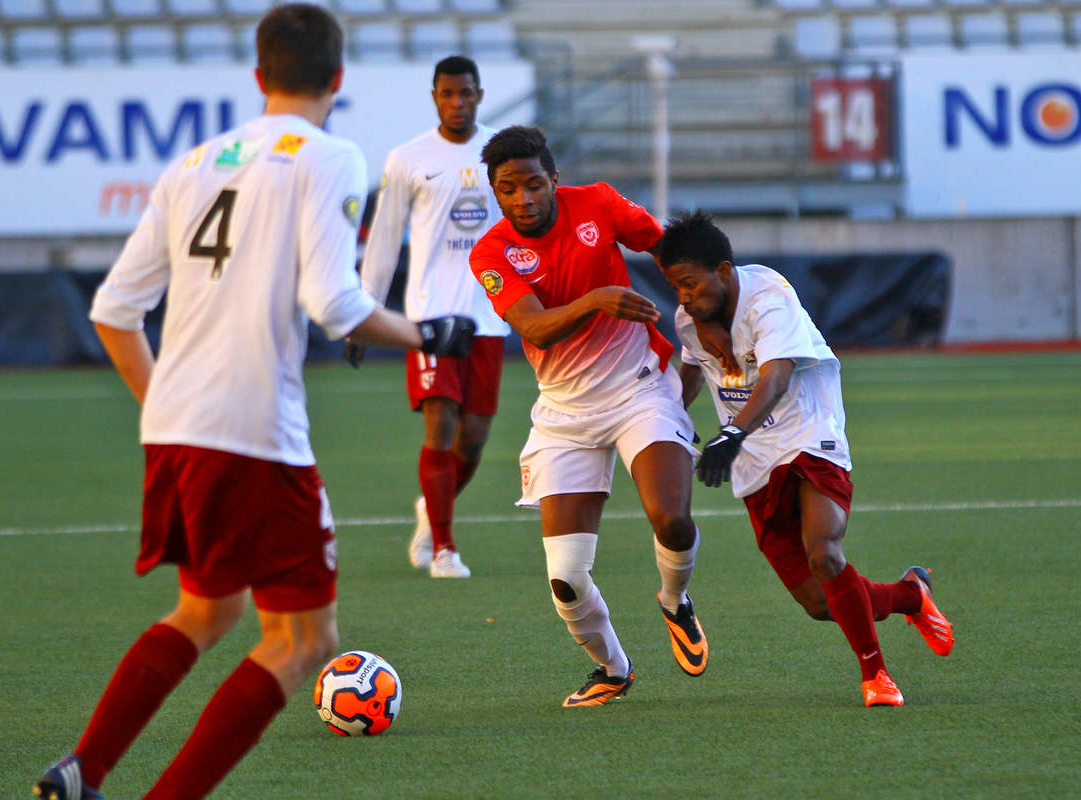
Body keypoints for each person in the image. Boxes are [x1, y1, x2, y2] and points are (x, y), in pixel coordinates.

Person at [32, 6, 475, 799]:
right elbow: (333, 303)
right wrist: (427, 332)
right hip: (255, 434)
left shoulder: (194, 162)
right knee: (303, 639)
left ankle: (83, 769)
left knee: (206, 611)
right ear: (338, 80)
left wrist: (160, 403)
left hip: (176, 428)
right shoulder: (330, 156)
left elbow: (112, 311)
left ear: (258, 76)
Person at [658, 210, 955, 708]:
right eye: (676, 288)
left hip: (808, 437)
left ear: (724, 271)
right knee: (820, 602)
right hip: (755, 462)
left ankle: (876, 677)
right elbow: (689, 375)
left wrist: (730, 432)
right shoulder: (689, 320)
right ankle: (910, 595)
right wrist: (659, 423)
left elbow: (775, 375)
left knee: (824, 552)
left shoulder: (769, 297)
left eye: (690, 284)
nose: (684, 298)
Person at [469, 125, 708, 707]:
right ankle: (613, 670)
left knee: (670, 518)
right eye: (507, 189)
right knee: (566, 579)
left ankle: (674, 600)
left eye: (532, 184)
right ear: (495, 193)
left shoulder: (598, 203)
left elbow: (665, 246)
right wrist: (598, 299)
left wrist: (702, 304)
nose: (522, 199)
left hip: (639, 390)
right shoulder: (492, 251)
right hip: (563, 414)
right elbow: (532, 326)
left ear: (554, 180)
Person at [351, 55, 509, 579]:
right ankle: (444, 547)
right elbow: (383, 237)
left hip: (489, 314)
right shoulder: (407, 158)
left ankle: (430, 508)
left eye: (466, 93)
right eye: (448, 94)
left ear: (479, 95)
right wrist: (365, 308)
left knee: (476, 439)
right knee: (440, 424)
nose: (458, 102)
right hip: (431, 318)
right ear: (435, 96)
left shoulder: (501, 156)